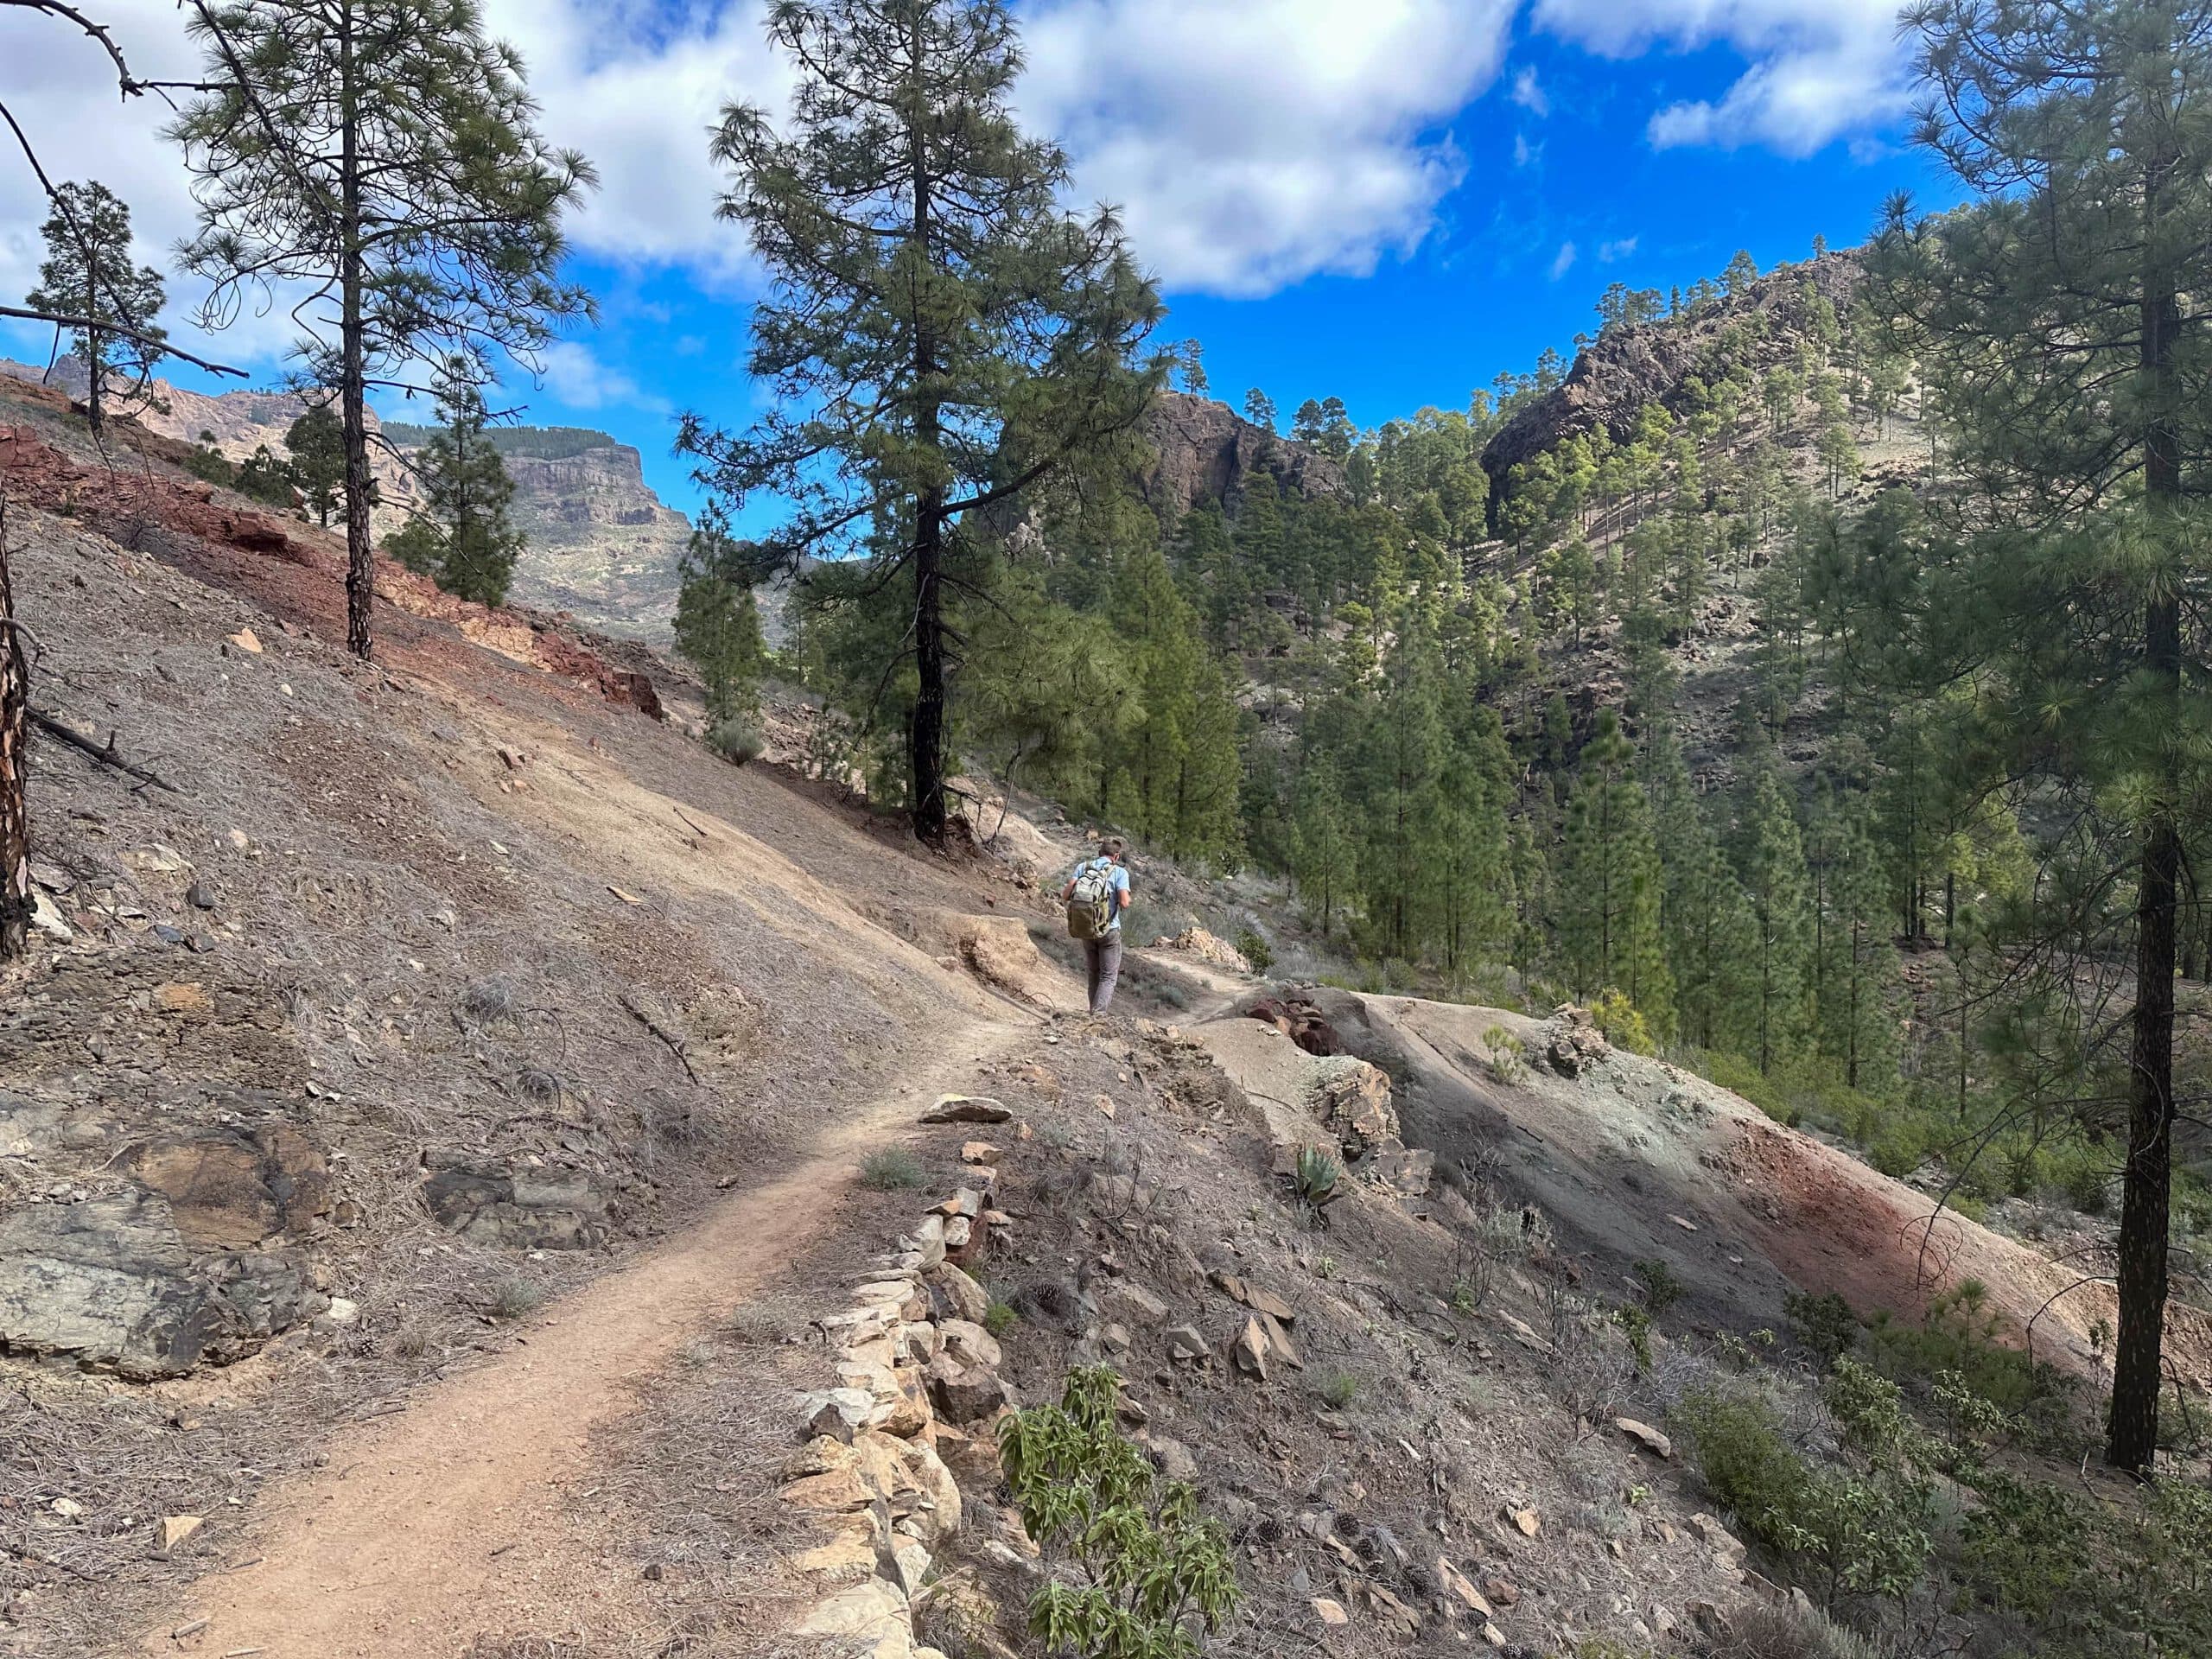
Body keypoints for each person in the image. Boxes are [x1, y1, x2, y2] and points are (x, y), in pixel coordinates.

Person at [1062, 836, 1132, 1014]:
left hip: (1086, 928)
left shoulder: (1083, 867)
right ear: (1116, 856)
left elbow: (1066, 894)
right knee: (1108, 976)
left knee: (1094, 973)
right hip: (1109, 930)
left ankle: (1092, 1010)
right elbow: (1124, 903)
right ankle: (1098, 1015)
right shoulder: (1119, 873)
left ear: (1099, 853)